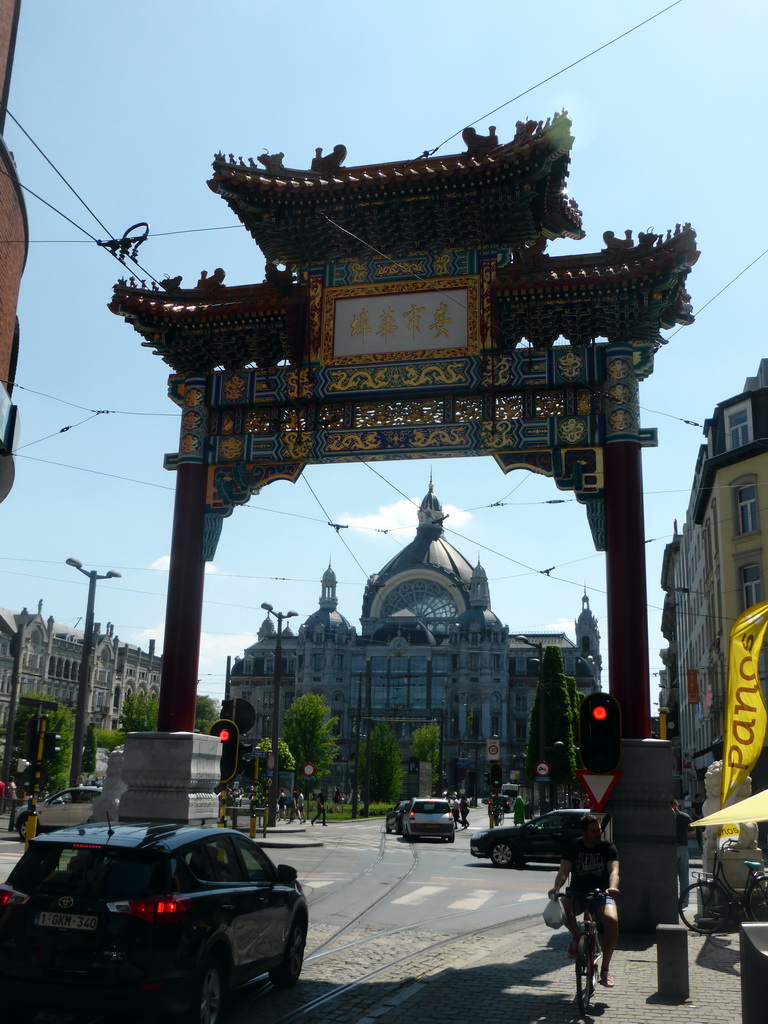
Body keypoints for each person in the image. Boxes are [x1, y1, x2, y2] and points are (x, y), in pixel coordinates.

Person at [548, 814, 620, 989]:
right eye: (594, 831)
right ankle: (576, 936)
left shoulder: (607, 847)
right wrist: (557, 887)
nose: (598, 834)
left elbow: (614, 871)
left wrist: (612, 887)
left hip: (601, 894)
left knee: (612, 921)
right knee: (562, 910)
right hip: (577, 893)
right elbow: (564, 870)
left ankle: (604, 970)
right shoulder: (574, 846)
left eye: (600, 830)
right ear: (584, 832)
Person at [671, 797, 692, 904]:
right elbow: (692, 831)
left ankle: (672, 900)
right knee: (684, 876)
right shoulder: (685, 816)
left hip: (670, 848)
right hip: (683, 847)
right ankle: (685, 901)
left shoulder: (667, 817)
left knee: (671, 876)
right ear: (677, 805)